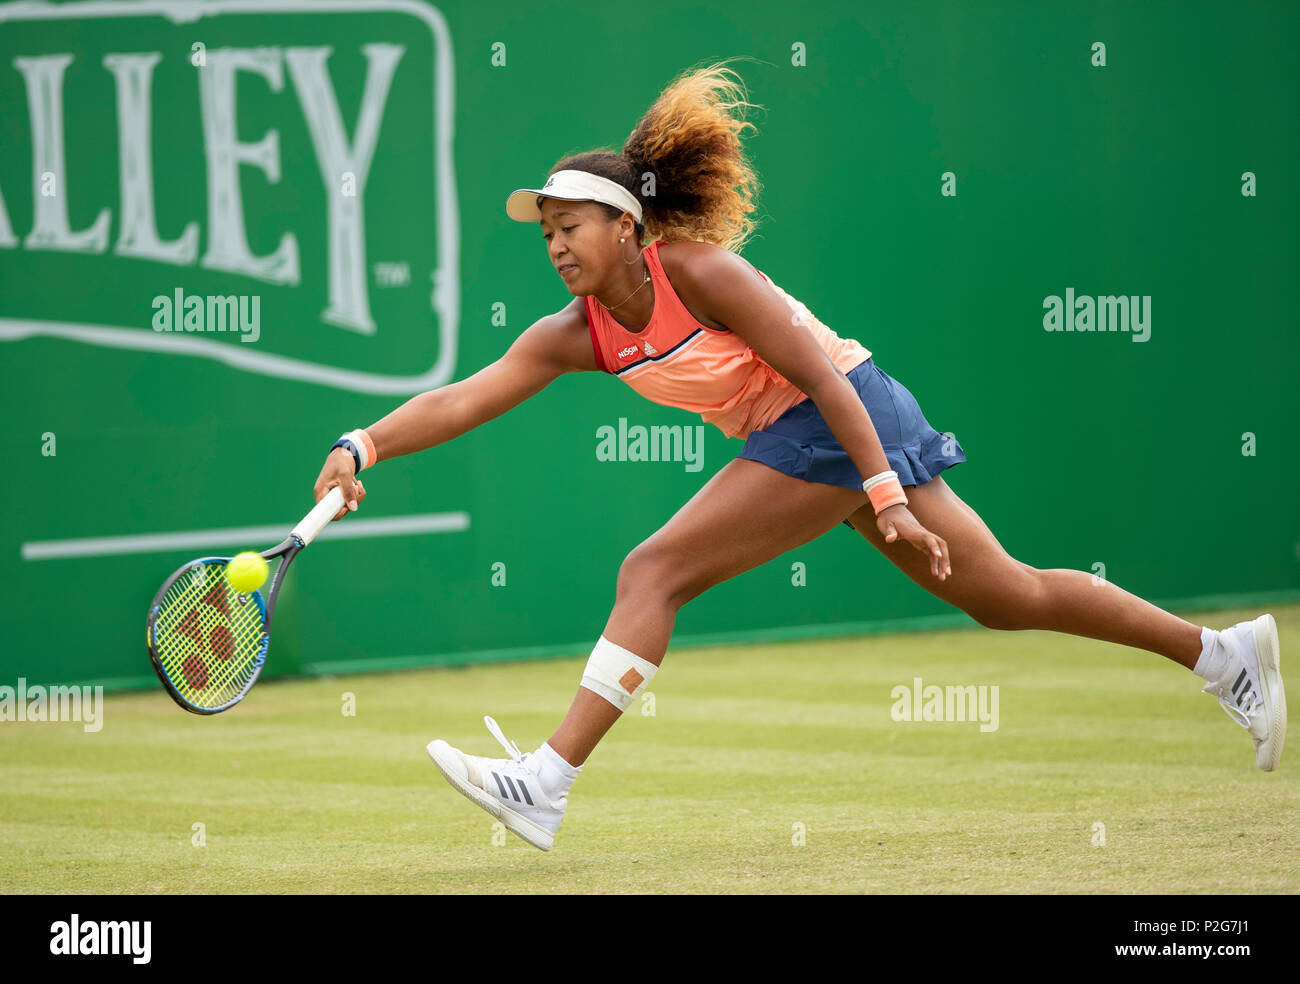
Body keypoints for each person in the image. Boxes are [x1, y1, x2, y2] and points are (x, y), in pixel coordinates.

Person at [311, 62, 1286, 851]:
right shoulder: (578, 331)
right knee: (1005, 595)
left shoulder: (701, 273)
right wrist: (360, 445)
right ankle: (1220, 655)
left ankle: (546, 782)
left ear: (625, 225)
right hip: (819, 437)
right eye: (547, 232)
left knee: (653, 569)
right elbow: (460, 397)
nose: (556, 244)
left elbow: (821, 375)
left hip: (841, 414)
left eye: (570, 226)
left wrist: (880, 491)